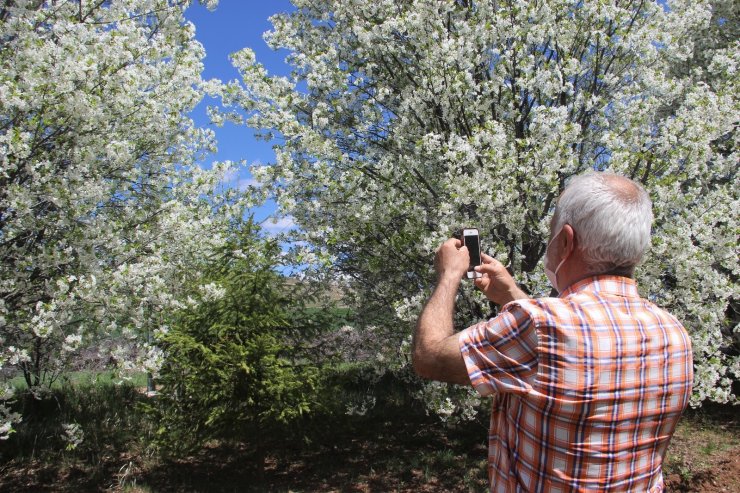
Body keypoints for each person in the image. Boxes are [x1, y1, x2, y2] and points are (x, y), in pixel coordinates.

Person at [412, 172, 693, 492]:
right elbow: (572, 346)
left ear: (566, 241)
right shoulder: (675, 335)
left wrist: (449, 275)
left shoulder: (537, 325)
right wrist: (511, 295)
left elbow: (429, 356)